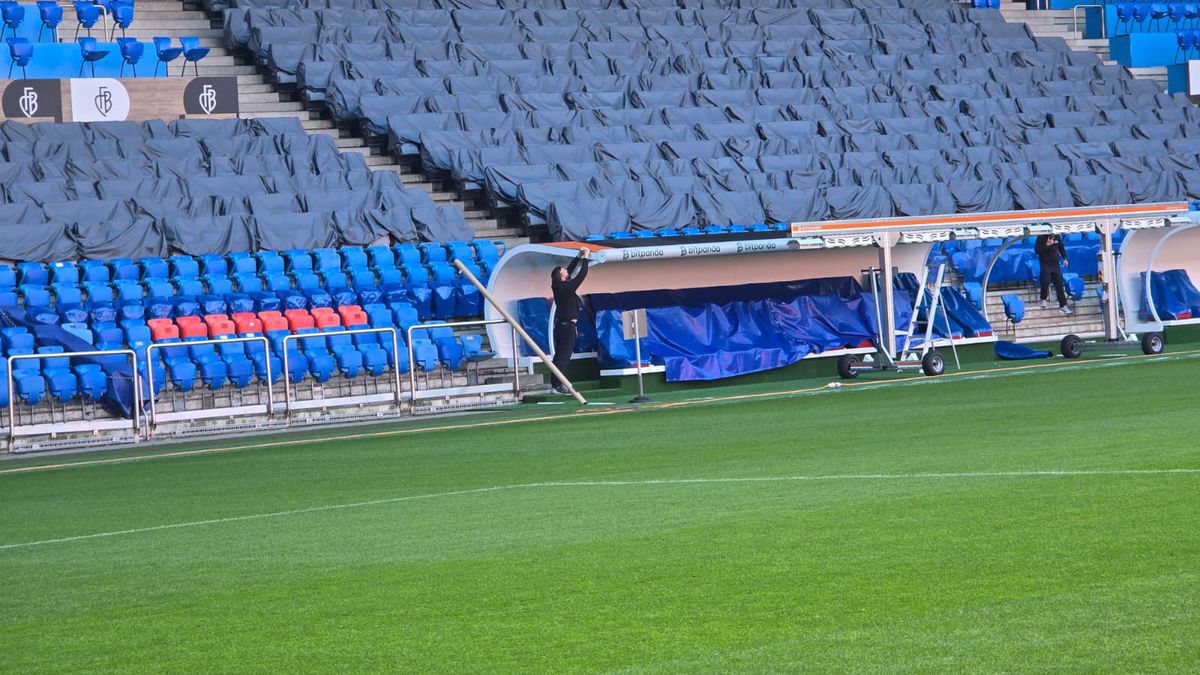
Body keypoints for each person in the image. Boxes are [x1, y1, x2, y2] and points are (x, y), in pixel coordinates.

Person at [549, 248, 589, 394]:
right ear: (561, 276)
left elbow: (570, 272)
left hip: (564, 326)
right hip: (566, 329)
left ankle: (555, 384)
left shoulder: (559, 285)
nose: (567, 270)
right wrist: (586, 258)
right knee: (563, 357)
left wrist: (578, 257)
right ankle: (557, 385)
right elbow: (581, 276)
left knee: (559, 356)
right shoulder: (564, 287)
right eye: (564, 270)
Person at [1034, 233, 1073, 315]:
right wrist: (1047, 244)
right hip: (1045, 264)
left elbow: (1061, 248)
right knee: (1045, 282)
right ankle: (1043, 299)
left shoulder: (1057, 237)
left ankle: (1063, 305)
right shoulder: (1041, 237)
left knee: (1059, 285)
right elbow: (1037, 251)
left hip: (1055, 265)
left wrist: (1064, 258)